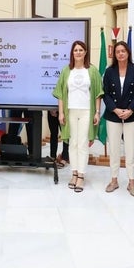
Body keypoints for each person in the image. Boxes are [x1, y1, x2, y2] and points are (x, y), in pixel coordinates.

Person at [53, 40, 103, 193]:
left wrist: (97, 112)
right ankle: (73, 173)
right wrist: (61, 112)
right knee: (72, 144)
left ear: (85, 52)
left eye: (81, 50)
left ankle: (81, 176)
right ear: (72, 53)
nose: (78, 52)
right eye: (76, 50)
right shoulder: (66, 71)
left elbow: (98, 93)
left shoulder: (92, 71)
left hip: (87, 111)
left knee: (82, 144)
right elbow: (61, 93)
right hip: (70, 112)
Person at [102, 41, 134, 196]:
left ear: (128, 53)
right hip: (113, 115)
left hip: (131, 116)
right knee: (113, 149)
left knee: (130, 150)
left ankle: (131, 183)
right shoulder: (109, 71)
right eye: (118, 51)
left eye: (123, 51)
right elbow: (105, 93)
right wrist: (114, 109)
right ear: (114, 54)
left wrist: (131, 109)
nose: (120, 53)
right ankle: (114, 180)